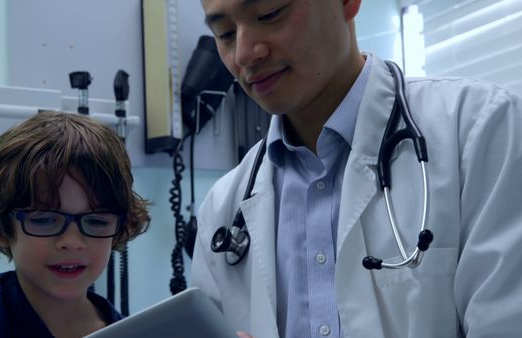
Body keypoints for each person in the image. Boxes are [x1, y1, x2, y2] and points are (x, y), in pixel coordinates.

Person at [191, 0, 522, 337]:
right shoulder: (221, 210)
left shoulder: (481, 130)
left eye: (269, 14)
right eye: (225, 33)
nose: (244, 54)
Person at [0, 111, 150, 338]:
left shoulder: (127, 331)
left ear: (119, 227)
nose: (72, 242)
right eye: (44, 219)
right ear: (0, 227)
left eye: (97, 221)